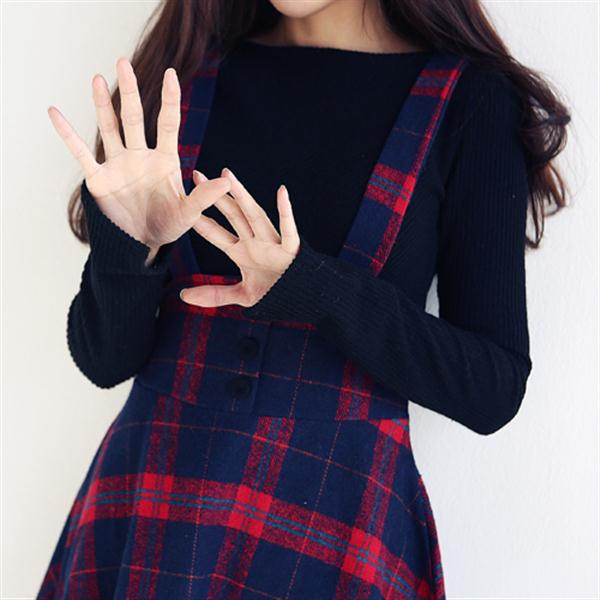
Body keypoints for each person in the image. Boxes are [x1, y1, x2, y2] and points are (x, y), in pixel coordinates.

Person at [39, 0, 571, 598]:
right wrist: (130, 245)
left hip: (334, 522)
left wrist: (317, 290)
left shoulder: (470, 100)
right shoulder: (183, 76)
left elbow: (492, 386)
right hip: (153, 508)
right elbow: (105, 360)